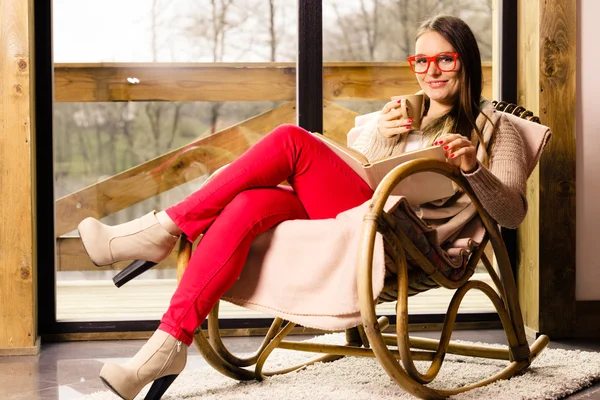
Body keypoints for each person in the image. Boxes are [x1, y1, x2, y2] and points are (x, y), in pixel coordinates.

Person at [78, 14, 531, 400]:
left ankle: (160, 229)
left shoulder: (496, 128)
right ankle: (167, 344)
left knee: (291, 141)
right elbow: (364, 166)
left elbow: (511, 213)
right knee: (250, 203)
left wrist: (472, 166)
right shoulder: (404, 113)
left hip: (405, 238)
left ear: (466, 61)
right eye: (421, 61)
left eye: (445, 59)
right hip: (360, 216)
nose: (431, 71)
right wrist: (381, 134)